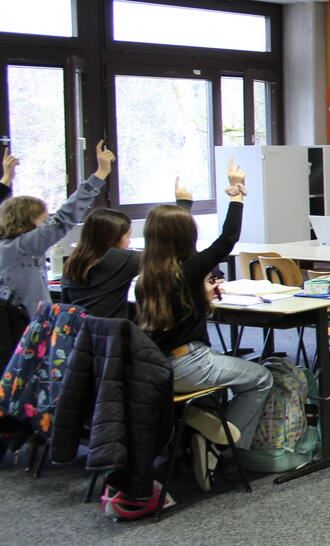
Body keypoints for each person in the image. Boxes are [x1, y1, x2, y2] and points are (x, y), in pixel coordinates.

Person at [134, 160, 272, 491]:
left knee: (239, 371)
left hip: (156, 368)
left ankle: (204, 425)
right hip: (191, 364)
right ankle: (222, 446)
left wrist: (183, 204)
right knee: (262, 378)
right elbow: (227, 239)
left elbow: (172, 233)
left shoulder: (146, 277)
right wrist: (237, 193)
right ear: (186, 237)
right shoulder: (188, 271)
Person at [0, 142, 114, 318]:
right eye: (44, 221)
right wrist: (101, 174)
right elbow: (63, 219)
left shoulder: (8, 246)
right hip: (25, 331)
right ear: (26, 222)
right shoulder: (22, 247)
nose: (47, 225)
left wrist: (6, 179)